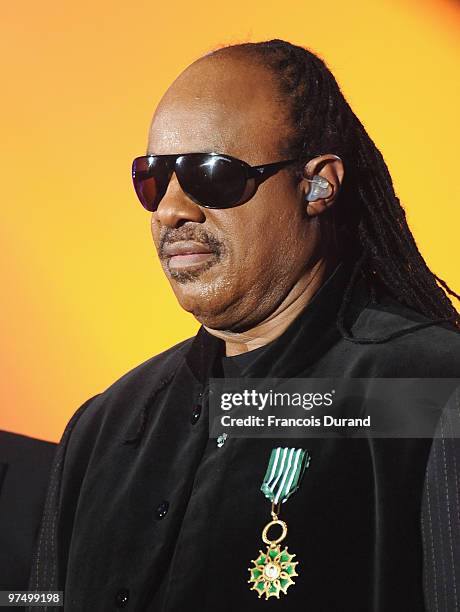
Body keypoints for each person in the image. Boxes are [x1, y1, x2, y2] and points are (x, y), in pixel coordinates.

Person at [28, 39, 460, 611]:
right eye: (153, 178)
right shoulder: (103, 426)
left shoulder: (427, 395)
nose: (171, 210)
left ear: (318, 185)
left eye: (212, 173)